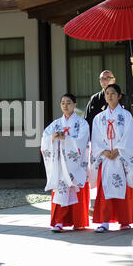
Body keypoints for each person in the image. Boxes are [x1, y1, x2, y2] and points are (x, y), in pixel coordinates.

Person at [89, 84, 133, 233]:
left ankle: (124, 220)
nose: (109, 96)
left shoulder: (126, 115)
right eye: (107, 93)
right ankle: (104, 221)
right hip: (106, 158)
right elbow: (95, 138)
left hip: (122, 157)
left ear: (119, 96)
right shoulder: (99, 117)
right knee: (104, 190)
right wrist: (104, 151)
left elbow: (130, 136)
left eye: (113, 93)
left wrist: (118, 150)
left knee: (124, 188)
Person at [41, 93, 90, 232]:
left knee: (74, 187)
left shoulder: (82, 123)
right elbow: (45, 139)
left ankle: (77, 221)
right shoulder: (56, 123)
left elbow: (82, 141)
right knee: (60, 189)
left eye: (68, 102)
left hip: (74, 163)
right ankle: (59, 222)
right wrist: (53, 137)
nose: (65, 105)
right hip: (60, 164)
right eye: (62, 103)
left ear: (74, 104)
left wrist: (64, 138)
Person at [84, 70, 130, 136]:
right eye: (103, 79)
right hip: (100, 138)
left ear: (114, 80)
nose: (105, 81)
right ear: (100, 82)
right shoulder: (95, 99)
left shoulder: (123, 97)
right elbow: (88, 121)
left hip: (120, 136)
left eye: (108, 78)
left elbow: (129, 120)